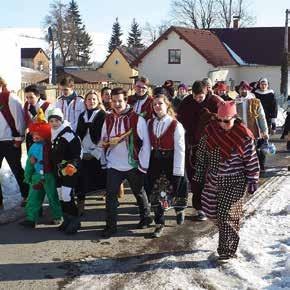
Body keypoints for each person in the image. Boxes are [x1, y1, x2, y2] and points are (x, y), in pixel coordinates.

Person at [194, 101, 260, 263]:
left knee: (225, 215)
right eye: (219, 120)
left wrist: (252, 179)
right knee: (209, 210)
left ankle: (227, 251)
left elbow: (251, 159)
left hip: (234, 181)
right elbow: (201, 157)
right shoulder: (210, 132)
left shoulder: (243, 136)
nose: (222, 124)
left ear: (235, 118)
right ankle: (228, 227)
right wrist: (198, 178)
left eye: (227, 121)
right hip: (213, 180)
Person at [100, 87, 152, 238]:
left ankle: (146, 217)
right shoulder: (108, 118)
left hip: (132, 164)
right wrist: (106, 143)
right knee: (110, 196)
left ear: (126, 100)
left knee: (139, 192)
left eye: (120, 101)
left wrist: (143, 164)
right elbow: (104, 137)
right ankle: (111, 226)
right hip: (114, 164)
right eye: (114, 101)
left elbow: (146, 143)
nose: (117, 104)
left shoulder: (137, 118)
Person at [177, 80, 221, 221]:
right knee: (195, 177)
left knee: (212, 176)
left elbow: (224, 121)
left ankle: (214, 203)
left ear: (206, 91)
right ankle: (199, 207)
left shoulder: (215, 102)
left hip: (212, 145)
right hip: (192, 146)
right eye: (195, 96)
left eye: (200, 97)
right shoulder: (186, 103)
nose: (197, 99)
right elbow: (179, 121)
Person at [147, 92, 187, 238]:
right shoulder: (150, 123)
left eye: (160, 103)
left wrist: (178, 171)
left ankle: (179, 209)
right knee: (157, 193)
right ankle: (159, 223)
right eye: (155, 104)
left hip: (172, 161)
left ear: (167, 105)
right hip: (156, 162)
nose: (157, 106)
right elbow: (147, 146)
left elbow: (180, 149)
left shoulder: (176, 125)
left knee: (175, 190)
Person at [19, 110, 62, 228]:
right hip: (37, 176)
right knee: (33, 197)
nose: (34, 136)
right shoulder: (33, 147)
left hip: (49, 176)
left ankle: (57, 216)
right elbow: (29, 164)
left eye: (37, 134)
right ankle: (32, 218)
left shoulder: (52, 145)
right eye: (33, 134)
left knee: (53, 196)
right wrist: (28, 176)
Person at [48, 108, 82, 234]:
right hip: (57, 171)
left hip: (69, 170)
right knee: (61, 195)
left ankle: (75, 221)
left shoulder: (69, 134)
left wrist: (72, 165)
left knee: (67, 195)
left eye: (56, 120)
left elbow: (78, 153)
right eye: (51, 121)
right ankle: (67, 220)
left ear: (61, 120)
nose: (54, 123)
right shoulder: (52, 133)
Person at [76, 90, 106, 215]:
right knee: (81, 179)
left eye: (94, 99)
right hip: (84, 152)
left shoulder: (103, 115)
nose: (91, 101)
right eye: (89, 99)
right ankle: (80, 206)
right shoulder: (82, 115)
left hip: (98, 152)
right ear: (85, 101)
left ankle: (109, 207)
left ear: (98, 100)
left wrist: (95, 153)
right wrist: (82, 152)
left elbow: (105, 136)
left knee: (103, 180)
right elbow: (78, 135)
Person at [0, 76, 28, 208]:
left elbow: (19, 119)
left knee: (17, 170)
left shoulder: (10, 97)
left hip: (10, 141)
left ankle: (27, 196)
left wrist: (19, 138)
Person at [235, 81, 269, 171]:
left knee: (254, 150)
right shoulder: (235, 102)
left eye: (245, 89)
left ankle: (256, 167)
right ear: (238, 90)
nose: (243, 90)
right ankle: (245, 168)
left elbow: (261, 117)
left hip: (253, 130)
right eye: (241, 89)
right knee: (241, 151)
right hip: (240, 132)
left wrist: (265, 131)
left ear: (249, 90)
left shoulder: (255, 101)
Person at [23, 84, 52, 150]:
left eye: (31, 97)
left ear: (38, 96)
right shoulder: (26, 105)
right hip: (31, 137)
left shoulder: (47, 106)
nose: (29, 100)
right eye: (27, 97)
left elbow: (50, 123)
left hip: (43, 138)